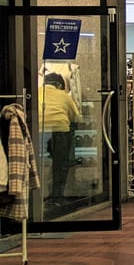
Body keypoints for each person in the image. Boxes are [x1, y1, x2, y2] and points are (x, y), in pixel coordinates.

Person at [38, 72, 80, 203]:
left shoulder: (36, 92)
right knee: (60, 164)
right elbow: (76, 117)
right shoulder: (64, 96)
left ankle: (38, 195)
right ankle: (57, 196)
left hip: (39, 130)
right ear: (59, 85)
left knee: (38, 164)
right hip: (60, 130)